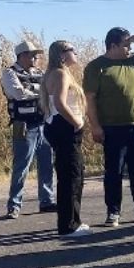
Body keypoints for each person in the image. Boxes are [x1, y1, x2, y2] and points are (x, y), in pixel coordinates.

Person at [84, 27, 134, 226]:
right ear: (113, 46)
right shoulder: (96, 67)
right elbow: (90, 99)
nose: (129, 49)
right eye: (126, 45)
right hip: (112, 128)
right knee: (114, 172)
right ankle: (113, 212)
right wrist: (95, 126)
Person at [42, 40, 91, 238]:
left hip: (58, 127)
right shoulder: (60, 74)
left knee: (73, 174)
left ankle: (73, 221)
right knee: (71, 177)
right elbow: (60, 103)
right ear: (62, 54)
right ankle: (68, 226)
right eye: (73, 50)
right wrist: (76, 123)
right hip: (64, 128)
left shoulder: (56, 73)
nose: (76, 53)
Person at [1, 40, 54, 219]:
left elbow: (51, 92)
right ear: (22, 55)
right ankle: (14, 205)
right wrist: (41, 94)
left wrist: (38, 93)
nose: (36, 58)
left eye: (36, 55)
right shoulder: (9, 73)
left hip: (43, 124)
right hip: (23, 125)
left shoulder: (40, 73)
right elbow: (18, 93)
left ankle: (46, 201)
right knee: (21, 167)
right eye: (32, 55)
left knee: (47, 165)